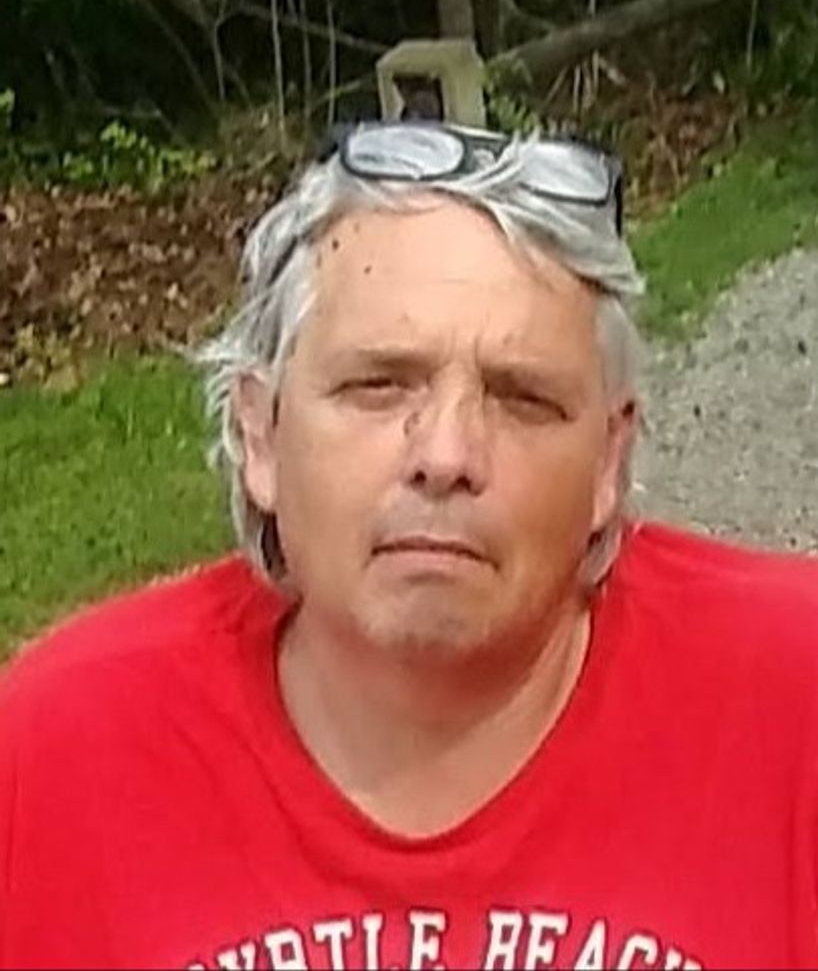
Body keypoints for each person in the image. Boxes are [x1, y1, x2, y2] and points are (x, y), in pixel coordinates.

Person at [1, 121, 817, 971]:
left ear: (609, 460)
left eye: (522, 398)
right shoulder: (60, 758)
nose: (446, 455)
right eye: (379, 386)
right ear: (261, 434)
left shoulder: (793, 702)